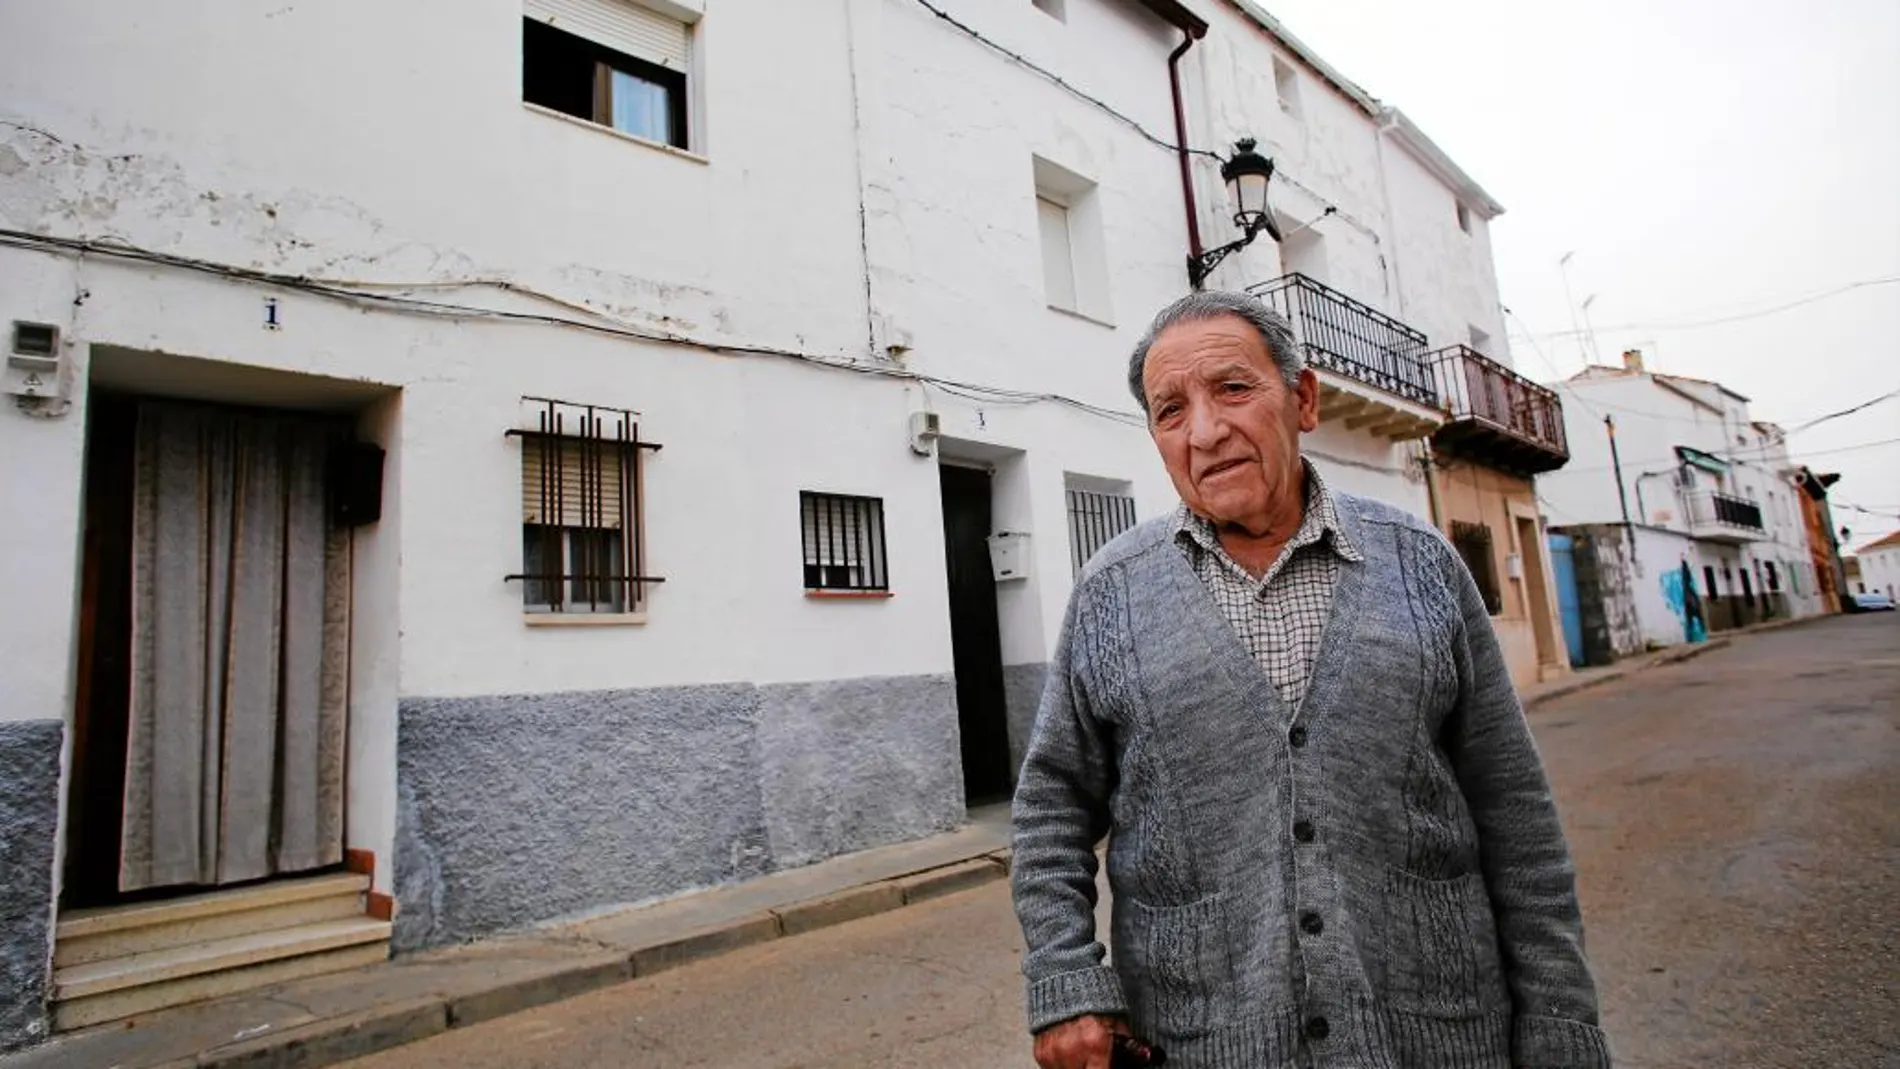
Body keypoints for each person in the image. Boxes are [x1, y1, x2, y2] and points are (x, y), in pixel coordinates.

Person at [1011, 292, 1611, 1069]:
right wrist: (1066, 980)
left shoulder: (1421, 562)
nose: (1205, 431)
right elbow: (1051, 808)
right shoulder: (1111, 594)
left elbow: (1515, 814)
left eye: (1232, 388)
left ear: (1302, 399)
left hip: (1436, 1037)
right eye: (1170, 410)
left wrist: (1560, 1021)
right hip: (1202, 1042)